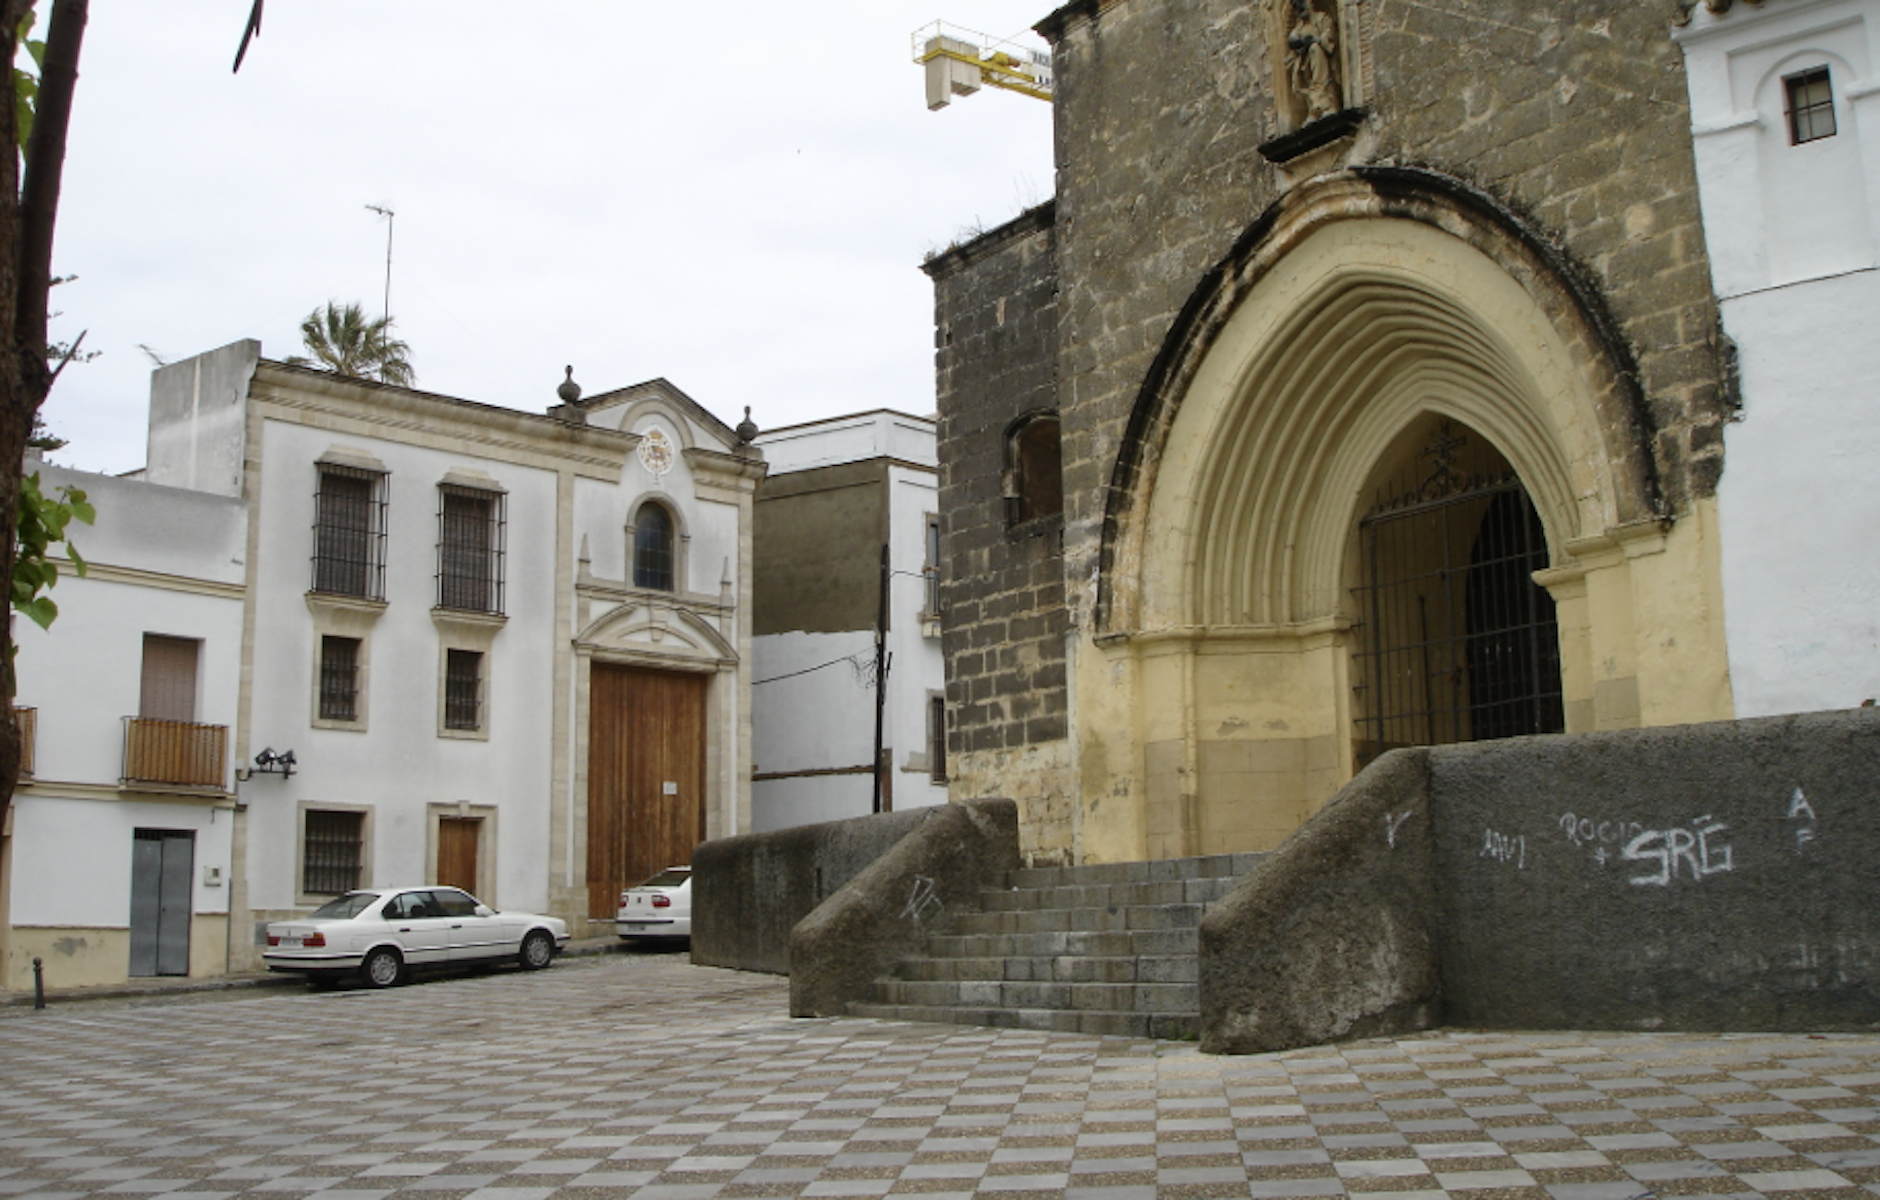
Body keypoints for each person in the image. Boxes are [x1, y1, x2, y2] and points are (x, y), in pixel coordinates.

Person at [1287, 0, 1342, 122]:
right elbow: (1293, 46)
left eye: (1302, 3)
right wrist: (1299, 45)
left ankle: (1325, 102)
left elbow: (1329, 37)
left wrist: (1315, 40)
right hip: (1306, 64)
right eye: (1296, 7)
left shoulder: (1322, 18)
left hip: (1320, 61)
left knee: (1315, 50)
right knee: (1306, 73)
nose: (1300, 9)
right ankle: (1314, 107)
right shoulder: (1298, 28)